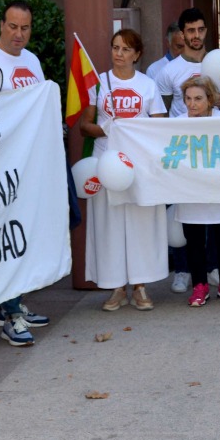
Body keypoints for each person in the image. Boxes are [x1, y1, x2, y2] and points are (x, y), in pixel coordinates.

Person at [0, 1, 54, 342]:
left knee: (23, 235)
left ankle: (15, 301)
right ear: (1, 25)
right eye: (13, 27)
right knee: (5, 237)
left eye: (26, 28)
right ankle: (11, 315)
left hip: (29, 163)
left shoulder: (31, 60)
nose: (19, 34)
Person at [78, 29, 167, 311]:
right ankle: (116, 287)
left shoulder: (148, 85)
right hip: (106, 165)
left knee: (141, 225)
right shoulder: (100, 83)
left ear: (137, 55)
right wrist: (105, 128)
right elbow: (84, 125)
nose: (119, 54)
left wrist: (138, 130)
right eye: (115, 47)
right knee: (111, 226)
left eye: (126, 49)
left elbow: (160, 125)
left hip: (139, 166)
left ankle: (140, 286)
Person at [174, 76, 220, 306]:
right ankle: (200, 286)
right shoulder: (177, 122)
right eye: (188, 99)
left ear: (209, 99)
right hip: (191, 191)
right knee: (194, 239)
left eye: (198, 98)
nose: (192, 104)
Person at [155, 7, 220, 117]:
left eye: (200, 29)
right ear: (182, 34)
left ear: (205, 31)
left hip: (212, 131)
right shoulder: (168, 71)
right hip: (183, 132)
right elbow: (161, 114)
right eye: (191, 30)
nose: (197, 35)